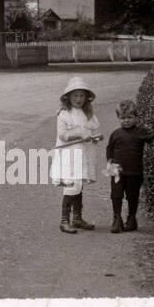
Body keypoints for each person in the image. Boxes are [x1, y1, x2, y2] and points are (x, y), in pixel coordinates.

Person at [50, 76, 101, 233]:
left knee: (78, 185)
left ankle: (77, 218)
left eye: (82, 96)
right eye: (75, 96)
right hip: (69, 156)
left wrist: (96, 136)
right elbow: (63, 136)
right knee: (71, 185)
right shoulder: (64, 114)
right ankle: (64, 221)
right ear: (68, 97)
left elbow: (94, 130)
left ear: (86, 98)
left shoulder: (87, 114)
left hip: (83, 155)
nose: (79, 99)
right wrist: (79, 135)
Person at [106, 100, 154, 232]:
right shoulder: (116, 134)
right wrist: (110, 163)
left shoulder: (141, 132)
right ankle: (117, 218)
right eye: (123, 118)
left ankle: (131, 219)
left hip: (135, 172)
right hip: (117, 172)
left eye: (129, 118)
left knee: (132, 196)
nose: (126, 121)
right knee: (116, 195)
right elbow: (109, 149)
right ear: (118, 118)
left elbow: (152, 138)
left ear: (136, 118)